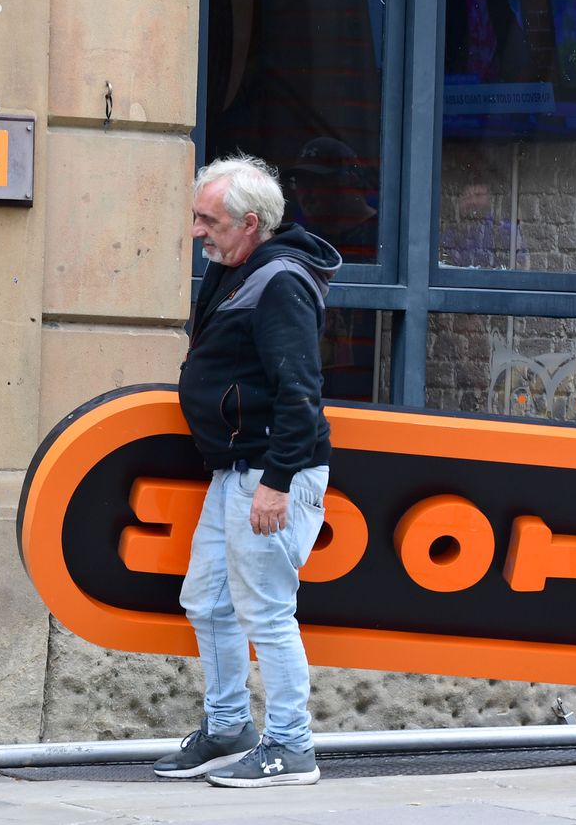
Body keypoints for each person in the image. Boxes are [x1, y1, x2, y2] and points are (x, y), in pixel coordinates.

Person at [152, 154, 342, 787]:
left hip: (269, 475)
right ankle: (230, 727)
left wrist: (278, 484)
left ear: (250, 223)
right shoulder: (238, 268)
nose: (198, 232)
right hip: (236, 470)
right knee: (205, 600)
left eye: (208, 220)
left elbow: (300, 391)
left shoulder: (279, 280)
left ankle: (292, 748)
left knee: (266, 613)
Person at [287, 137, 379, 401]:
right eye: (299, 183)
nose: (306, 192)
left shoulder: (383, 236)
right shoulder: (302, 239)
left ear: (350, 181)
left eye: (318, 182)